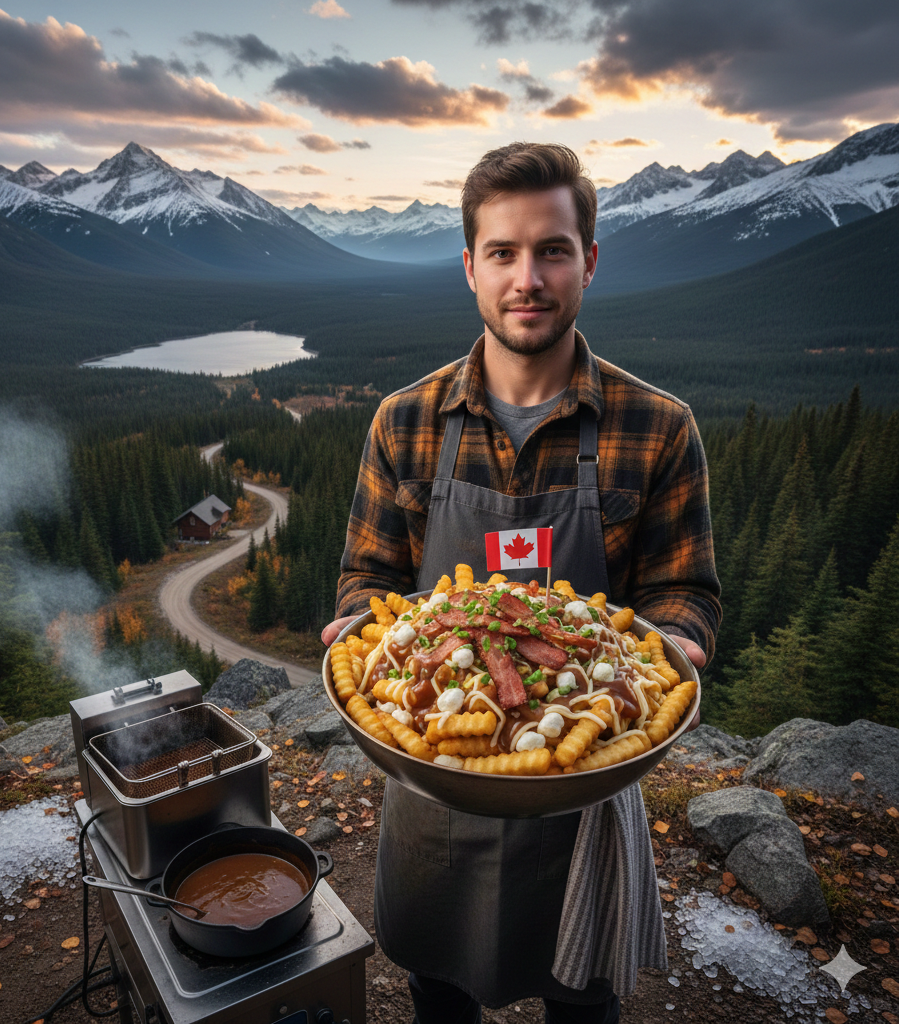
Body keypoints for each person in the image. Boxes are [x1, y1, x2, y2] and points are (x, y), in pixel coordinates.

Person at [322, 142, 721, 1024]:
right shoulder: (406, 421)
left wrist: (677, 643)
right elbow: (368, 576)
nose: (527, 278)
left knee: (583, 999)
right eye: (502, 252)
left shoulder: (659, 427)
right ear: (470, 267)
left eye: (552, 250)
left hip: (589, 784)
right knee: (438, 989)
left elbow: (684, 590)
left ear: (589, 261)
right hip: (434, 777)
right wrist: (361, 628)